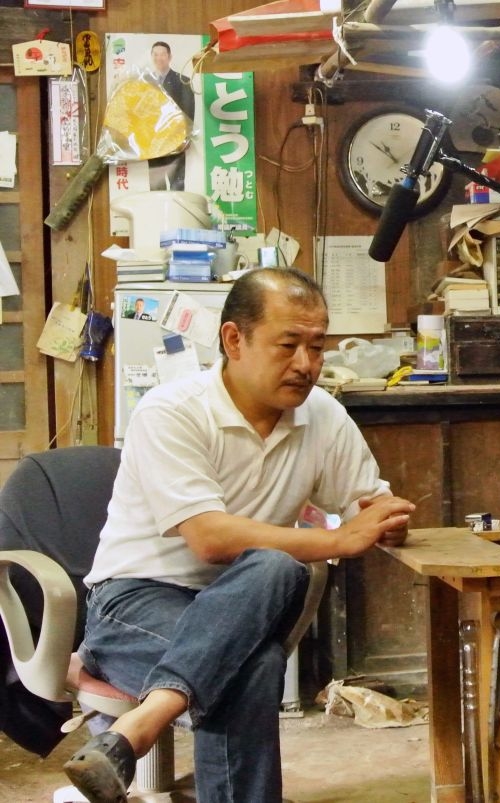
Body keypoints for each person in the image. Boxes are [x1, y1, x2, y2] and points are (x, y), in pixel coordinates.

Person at [63, 267, 416, 803]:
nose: (307, 364)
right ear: (234, 339)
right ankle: (141, 730)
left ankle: (137, 728)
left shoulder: (322, 414)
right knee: (257, 658)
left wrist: (386, 517)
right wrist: (341, 540)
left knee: (271, 574)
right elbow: (209, 539)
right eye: (289, 345)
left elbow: (368, 501)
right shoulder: (172, 411)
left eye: (317, 347)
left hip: (243, 601)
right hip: (132, 602)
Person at [147, 41, 194, 191]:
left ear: (169, 57)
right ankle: (158, 214)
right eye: (156, 54)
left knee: (177, 184)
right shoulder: (146, 82)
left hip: (176, 140)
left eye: (162, 54)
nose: (159, 58)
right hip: (153, 142)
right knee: (156, 185)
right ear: (151, 57)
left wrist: (187, 137)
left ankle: (176, 212)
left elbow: (188, 111)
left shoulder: (183, 81)